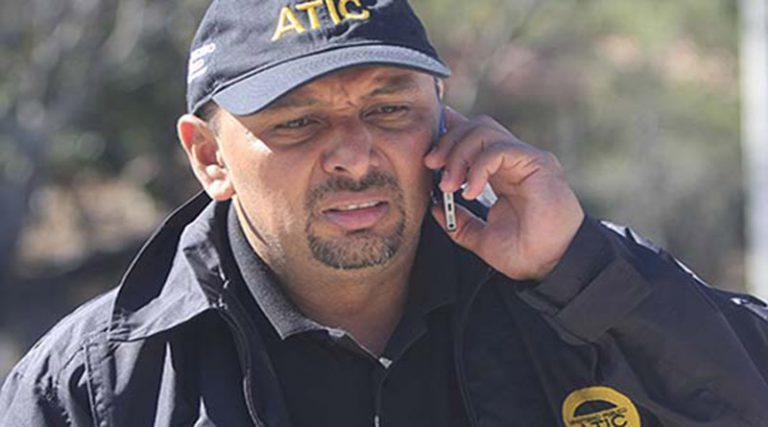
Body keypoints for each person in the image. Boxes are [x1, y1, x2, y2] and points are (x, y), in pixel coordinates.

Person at [2, 0, 768, 425]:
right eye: (299, 122)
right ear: (209, 157)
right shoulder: (93, 386)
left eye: (389, 108)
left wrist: (577, 263)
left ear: (444, 114)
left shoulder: (576, 292)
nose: (354, 154)